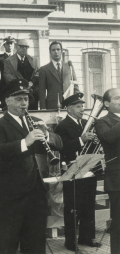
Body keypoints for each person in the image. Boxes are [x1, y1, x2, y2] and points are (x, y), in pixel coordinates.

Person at [0, 79, 62, 254]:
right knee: (8, 241)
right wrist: (25, 142)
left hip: (36, 190)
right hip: (12, 192)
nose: (24, 103)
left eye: (26, 99)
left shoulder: (35, 121)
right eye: (19, 99)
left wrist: (48, 135)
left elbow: (59, 144)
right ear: (7, 100)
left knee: (36, 241)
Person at [54, 93, 100, 251]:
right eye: (78, 107)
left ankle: (87, 238)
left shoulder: (87, 122)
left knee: (88, 205)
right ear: (69, 108)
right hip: (72, 170)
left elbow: (92, 144)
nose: (82, 109)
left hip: (88, 168)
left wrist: (95, 142)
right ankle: (70, 242)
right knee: (73, 207)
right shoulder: (62, 126)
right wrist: (81, 140)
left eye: (82, 106)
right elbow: (61, 147)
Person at [95, 88, 120, 254]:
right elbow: (109, 137)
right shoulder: (102, 121)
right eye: (118, 98)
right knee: (118, 223)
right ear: (106, 103)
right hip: (117, 178)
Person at [39, 41, 79, 110]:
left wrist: (77, 103)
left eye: (58, 49)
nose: (56, 52)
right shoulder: (44, 69)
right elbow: (42, 91)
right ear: (50, 52)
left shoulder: (69, 66)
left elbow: (75, 86)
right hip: (52, 105)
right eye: (53, 50)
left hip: (69, 104)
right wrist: (43, 108)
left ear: (61, 51)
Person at [3, 39, 39, 110]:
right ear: (16, 47)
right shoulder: (9, 61)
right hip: (17, 95)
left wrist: (32, 83)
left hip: (31, 95)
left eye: (26, 47)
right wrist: (24, 84)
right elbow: (8, 77)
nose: (24, 48)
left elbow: (37, 73)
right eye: (21, 46)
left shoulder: (33, 60)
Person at [0, 36, 16, 110]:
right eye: (7, 43)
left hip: (16, 86)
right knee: (5, 108)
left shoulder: (17, 57)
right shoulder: (0, 57)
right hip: (4, 86)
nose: (10, 45)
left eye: (11, 43)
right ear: (4, 45)